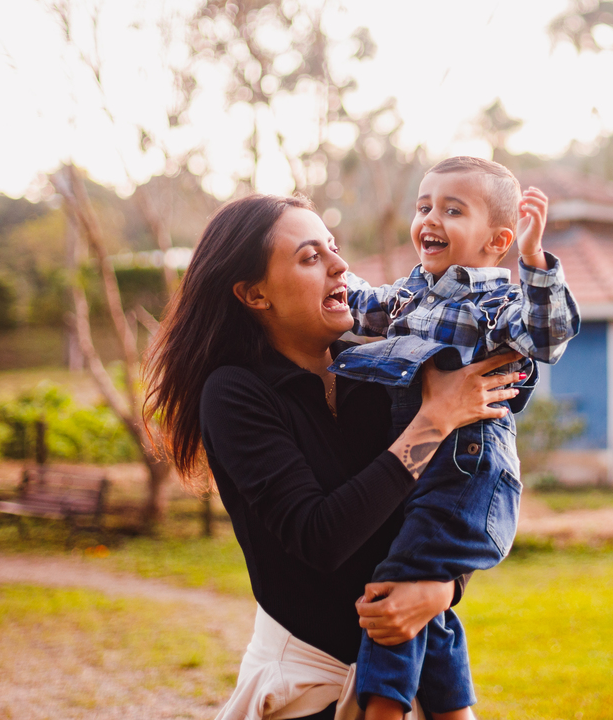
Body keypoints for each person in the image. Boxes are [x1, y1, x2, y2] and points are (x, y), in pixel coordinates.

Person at [142, 192, 528, 720]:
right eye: (310, 257)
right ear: (255, 294)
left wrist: (443, 588)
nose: (340, 265)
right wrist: (435, 419)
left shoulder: (381, 370)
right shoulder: (235, 393)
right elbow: (320, 537)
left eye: (333, 247)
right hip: (305, 683)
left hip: (402, 675)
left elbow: (455, 498)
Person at [333, 156, 581, 720]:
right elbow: (357, 303)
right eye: (424, 207)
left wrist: (536, 260)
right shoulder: (408, 297)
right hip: (427, 472)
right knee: (428, 606)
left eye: (451, 209)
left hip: (469, 476)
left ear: (498, 239)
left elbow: (547, 335)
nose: (430, 219)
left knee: (395, 588)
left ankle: (381, 710)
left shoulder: (494, 304)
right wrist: (326, 266)